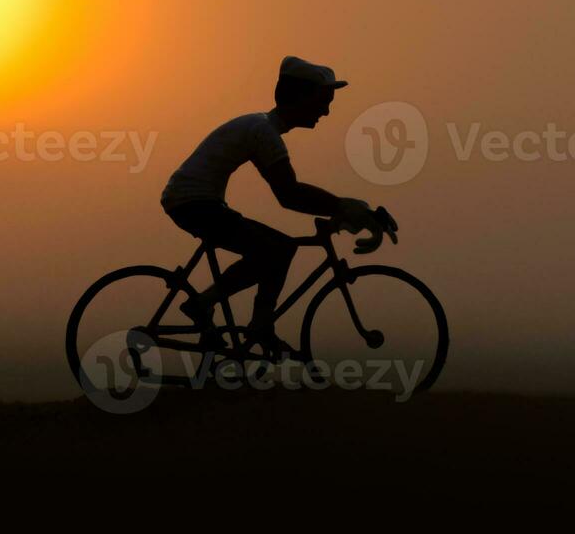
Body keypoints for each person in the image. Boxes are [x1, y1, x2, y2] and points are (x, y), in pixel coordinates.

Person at [160, 56, 397, 358]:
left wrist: (339, 208)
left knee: (282, 248)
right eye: (323, 101)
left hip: (196, 201)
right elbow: (289, 195)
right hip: (193, 203)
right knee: (274, 250)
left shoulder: (261, 128)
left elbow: (289, 192)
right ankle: (210, 306)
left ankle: (255, 323)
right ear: (300, 98)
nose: (326, 111)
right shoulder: (264, 133)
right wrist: (342, 207)